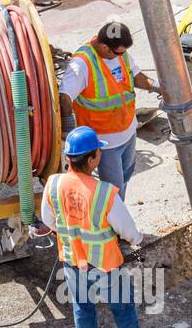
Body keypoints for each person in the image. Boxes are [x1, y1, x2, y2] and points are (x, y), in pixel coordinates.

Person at [41, 126, 169, 328]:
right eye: (98, 152)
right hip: (106, 265)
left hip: (72, 262)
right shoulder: (104, 193)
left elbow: (49, 220)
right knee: (123, 310)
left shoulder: (54, 185)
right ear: (92, 159)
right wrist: (137, 240)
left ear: (68, 158)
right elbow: (129, 231)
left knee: (82, 309)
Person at [58, 22, 162, 199]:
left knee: (126, 175)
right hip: (105, 142)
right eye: (118, 52)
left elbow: (135, 76)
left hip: (128, 131)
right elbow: (65, 97)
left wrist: (158, 87)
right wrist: (68, 127)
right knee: (113, 191)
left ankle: (118, 216)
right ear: (105, 46)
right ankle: (114, 222)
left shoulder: (120, 54)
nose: (121, 56)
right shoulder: (82, 64)